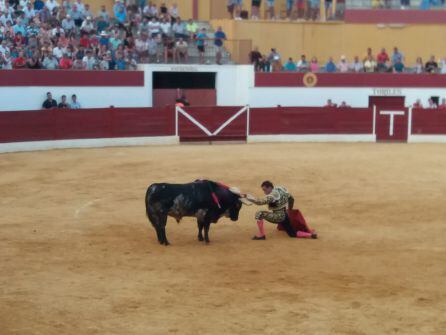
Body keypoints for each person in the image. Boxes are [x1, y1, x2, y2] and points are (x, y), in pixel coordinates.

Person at [243, 181, 317, 240]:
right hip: (285, 215)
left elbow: (260, 202)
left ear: (270, 188)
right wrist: (290, 209)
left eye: (265, 190)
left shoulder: (272, 196)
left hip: (278, 217)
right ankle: (310, 235)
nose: (264, 192)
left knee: (259, 214)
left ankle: (261, 235)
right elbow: (291, 198)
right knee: (292, 234)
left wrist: (250, 198)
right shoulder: (281, 188)